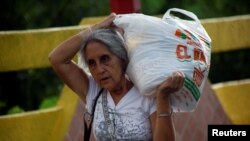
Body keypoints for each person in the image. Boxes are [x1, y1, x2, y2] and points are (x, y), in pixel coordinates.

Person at [48, 13, 184, 141]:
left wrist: (163, 97)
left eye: (105, 59)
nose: (99, 69)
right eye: (92, 63)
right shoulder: (92, 90)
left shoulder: (148, 93)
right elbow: (56, 59)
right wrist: (94, 29)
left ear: (121, 57)